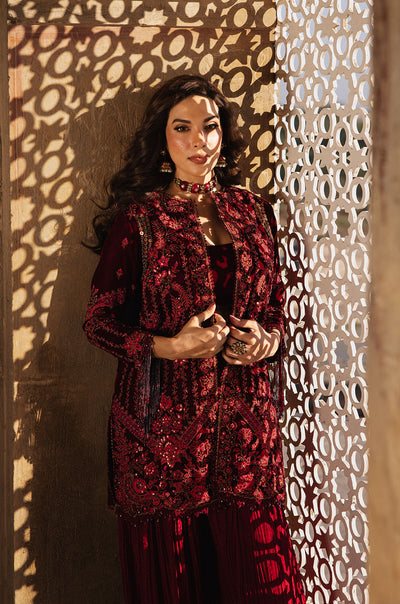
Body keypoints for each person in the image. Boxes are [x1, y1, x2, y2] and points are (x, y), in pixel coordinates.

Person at [83, 74, 306, 604]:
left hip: (246, 431)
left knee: (260, 574)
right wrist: (169, 346)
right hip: (161, 433)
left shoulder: (253, 212)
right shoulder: (140, 221)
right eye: (182, 128)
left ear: (223, 134)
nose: (199, 141)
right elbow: (98, 321)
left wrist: (267, 341)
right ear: (162, 139)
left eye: (210, 127)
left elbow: (276, 307)